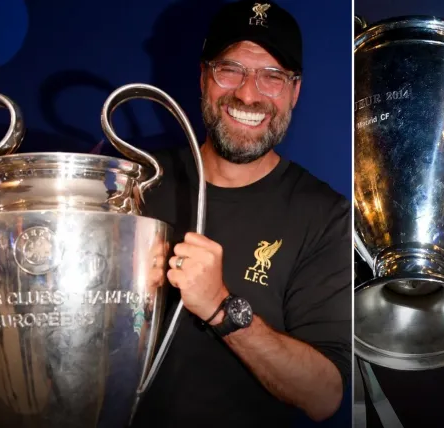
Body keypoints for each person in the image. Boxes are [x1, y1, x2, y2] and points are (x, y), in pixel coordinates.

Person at [130, 1, 351, 426]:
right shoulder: (138, 182)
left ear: (295, 90)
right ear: (203, 76)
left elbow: (323, 395)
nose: (248, 94)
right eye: (230, 70)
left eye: (273, 76)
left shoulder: (325, 216)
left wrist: (219, 306)